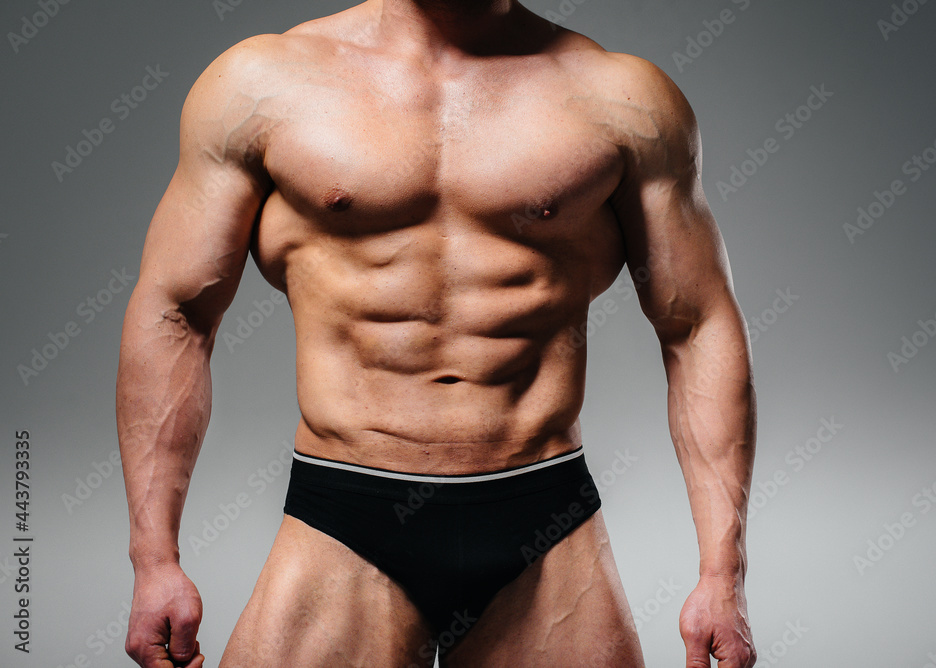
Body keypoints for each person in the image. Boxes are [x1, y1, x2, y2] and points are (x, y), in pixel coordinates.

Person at [116, 1, 757, 666]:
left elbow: (696, 324)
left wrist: (723, 575)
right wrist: (154, 559)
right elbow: (176, 312)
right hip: (344, 514)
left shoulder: (621, 98)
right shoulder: (260, 85)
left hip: (544, 517)